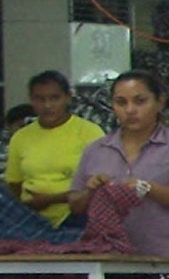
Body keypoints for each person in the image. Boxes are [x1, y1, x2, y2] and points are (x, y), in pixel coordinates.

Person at [70, 71, 169, 256]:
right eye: (121, 102)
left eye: (140, 101)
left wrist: (148, 189)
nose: (130, 110)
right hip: (111, 259)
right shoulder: (95, 150)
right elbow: (74, 205)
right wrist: (91, 192)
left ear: (159, 102)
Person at [7, 70, 101, 227]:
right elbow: (14, 183)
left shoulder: (89, 132)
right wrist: (27, 206)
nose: (47, 106)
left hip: (76, 213)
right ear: (31, 100)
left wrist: (51, 199)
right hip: (29, 214)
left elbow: (99, 185)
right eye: (40, 99)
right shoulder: (21, 137)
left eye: (54, 98)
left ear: (67, 98)